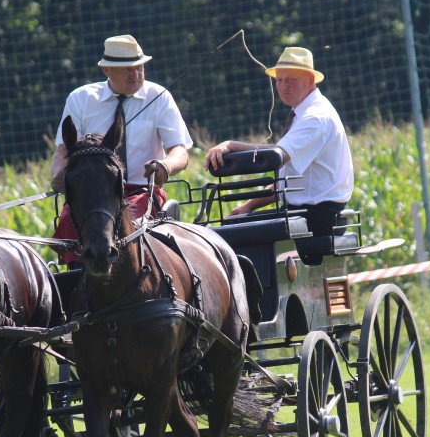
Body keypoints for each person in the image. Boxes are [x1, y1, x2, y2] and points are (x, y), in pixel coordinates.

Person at [50, 34, 193, 267]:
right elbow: (63, 151)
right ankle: (77, 279)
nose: (136, 75)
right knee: (68, 219)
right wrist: (59, 176)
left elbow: (180, 150)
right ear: (107, 70)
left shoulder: (159, 97)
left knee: (132, 222)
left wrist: (165, 166)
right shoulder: (80, 99)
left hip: (141, 192)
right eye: (127, 69)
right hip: (93, 196)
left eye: (139, 68)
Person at [204, 46, 353, 260]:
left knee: (233, 237)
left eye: (291, 79)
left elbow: (275, 156)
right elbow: (288, 181)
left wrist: (232, 146)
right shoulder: (302, 114)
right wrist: (249, 206)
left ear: (310, 81)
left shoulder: (315, 118)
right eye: (280, 80)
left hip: (319, 220)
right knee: (230, 226)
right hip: (302, 214)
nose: (283, 86)